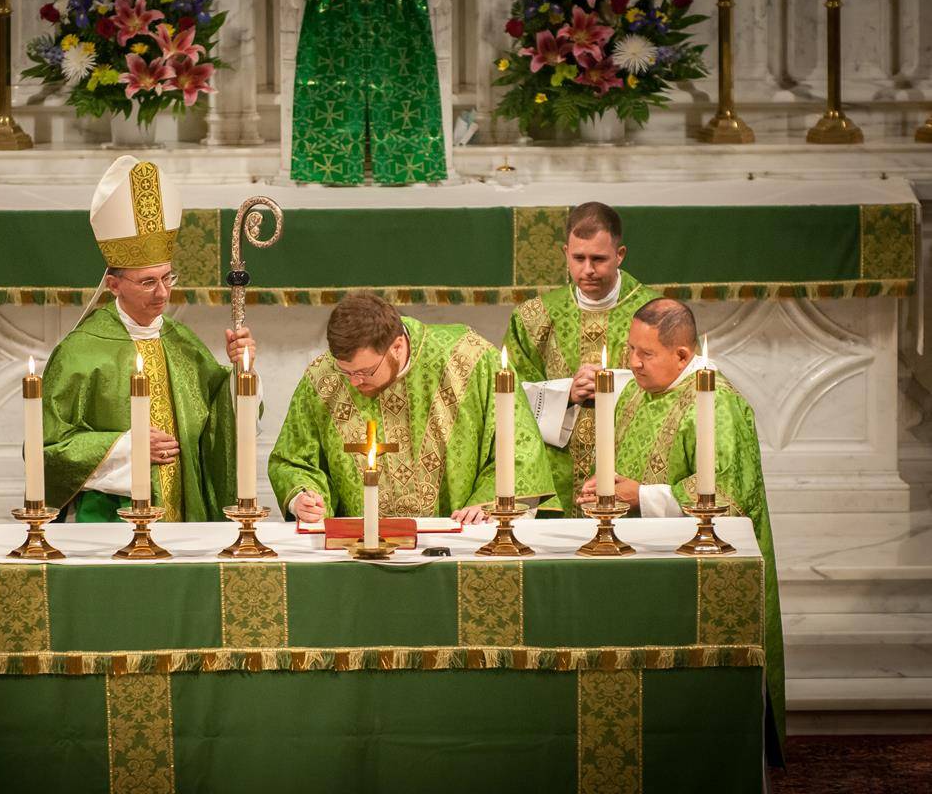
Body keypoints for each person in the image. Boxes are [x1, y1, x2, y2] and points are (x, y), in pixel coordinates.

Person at [577, 298, 786, 760]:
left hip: (696, 565)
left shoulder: (718, 403)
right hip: (632, 558)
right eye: (630, 349)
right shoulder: (634, 389)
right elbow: (620, 465)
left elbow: (726, 494)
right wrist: (604, 491)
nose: (632, 362)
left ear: (683, 357)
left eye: (644, 354)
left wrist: (641, 496)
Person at [42, 156, 254, 522]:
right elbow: (51, 451)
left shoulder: (181, 340)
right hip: (111, 517)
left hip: (185, 512)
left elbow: (223, 417)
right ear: (113, 285)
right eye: (147, 282)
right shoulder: (79, 352)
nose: (162, 294)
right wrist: (128, 446)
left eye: (167, 278)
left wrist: (242, 371)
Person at [269, 292, 554, 525]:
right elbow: (293, 460)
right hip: (357, 551)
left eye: (366, 372)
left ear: (396, 346)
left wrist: (492, 500)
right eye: (347, 372)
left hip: (455, 542)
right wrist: (304, 498)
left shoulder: (469, 360)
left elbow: (520, 447)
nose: (354, 382)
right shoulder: (325, 378)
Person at [505, 201, 659, 516]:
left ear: (620, 255)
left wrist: (617, 384)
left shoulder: (656, 315)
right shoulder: (534, 317)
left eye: (599, 259)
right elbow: (509, 397)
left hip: (630, 469)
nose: (587, 270)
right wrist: (567, 393)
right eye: (578, 258)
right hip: (556, 470)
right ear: (566, 253)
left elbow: (682, 387)